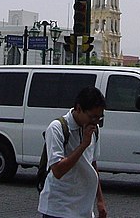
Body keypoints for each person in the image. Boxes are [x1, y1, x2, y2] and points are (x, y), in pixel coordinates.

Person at [38, 86, 107, 218]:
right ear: (79, 109)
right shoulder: (57, 128)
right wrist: (83, 144)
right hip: (58, 208)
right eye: (92, 117)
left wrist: (100, 200)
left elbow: (92, 165)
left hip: (84, 209)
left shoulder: (94, 129)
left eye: (99, 117)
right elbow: (58, 171)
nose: (96, 121)